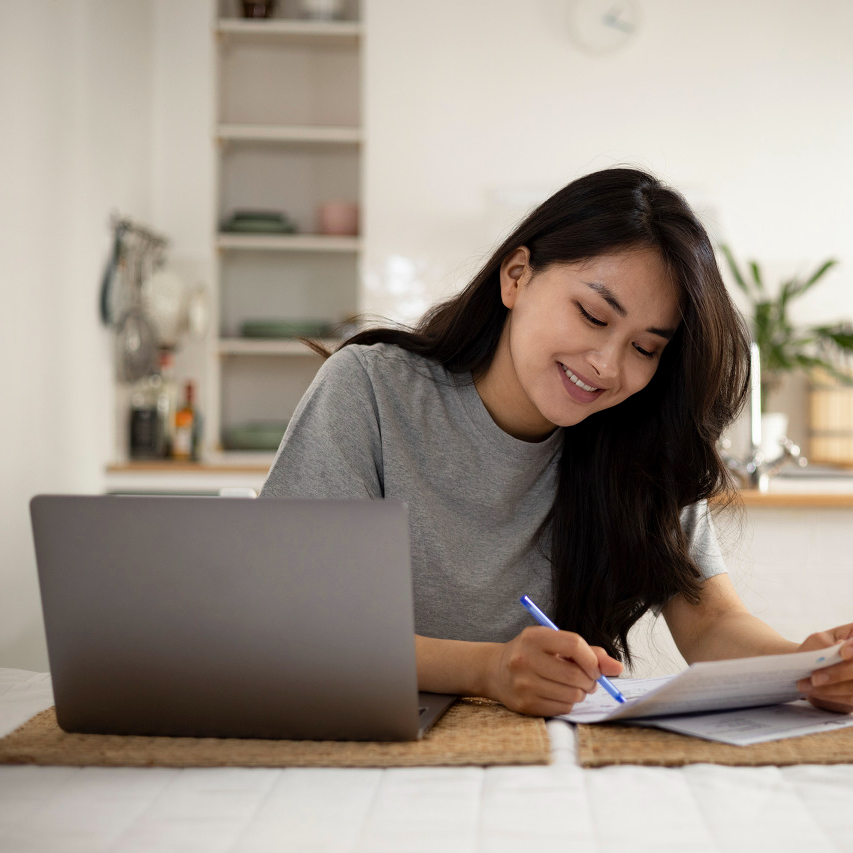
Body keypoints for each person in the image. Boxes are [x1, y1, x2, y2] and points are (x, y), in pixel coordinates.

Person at [261, 167, 853, 717]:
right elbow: (295, 622)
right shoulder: (370, 391)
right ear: (516, 276)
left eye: (645, 348)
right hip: (367, 737)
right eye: (594, 316)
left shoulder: (640, 441)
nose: (606, 365)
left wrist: (805, 667)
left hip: (548, 766)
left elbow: (711, 623)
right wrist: (486, 669)